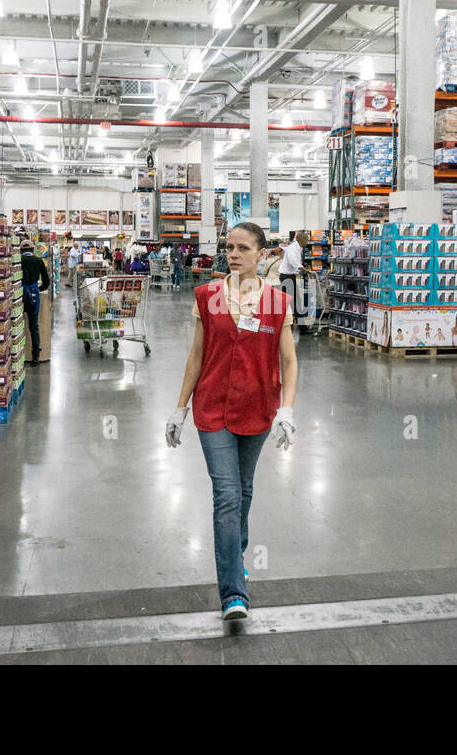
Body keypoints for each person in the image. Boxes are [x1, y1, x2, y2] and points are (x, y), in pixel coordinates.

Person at [166, 222, 298, 622]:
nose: (234, 255)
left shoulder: (276, 302)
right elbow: (196, 355)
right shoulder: (208, 297)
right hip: (212, 410)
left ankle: (234, 552)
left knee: (243, 490)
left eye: (243, 248)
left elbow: (288, 361)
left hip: (258, 409)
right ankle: (233, 593)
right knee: (226, 493)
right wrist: (180, 407)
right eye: (229, 247)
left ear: (262, 254)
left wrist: (287, 409)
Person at [19, 242, 50, 364]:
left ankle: (17, 354)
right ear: (33, 250)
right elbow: (46, 281)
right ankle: (35, 355)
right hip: (33, 295)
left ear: (20, 251)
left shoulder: (17, 260)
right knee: (34, 326)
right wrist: (39, 289)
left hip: (19, 296)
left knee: (17, 324)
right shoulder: (38, 261)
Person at [278, 231, 308, 335]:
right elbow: (293, 261)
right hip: (287, 277)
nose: (307, 242)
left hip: (289, 277)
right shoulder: (292, 248)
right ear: (301, 239)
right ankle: (301, 328)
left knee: (291, 302)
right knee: (295, 302)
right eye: (306, 239)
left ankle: (291, 325)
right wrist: (303, 269)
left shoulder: (298, 248)